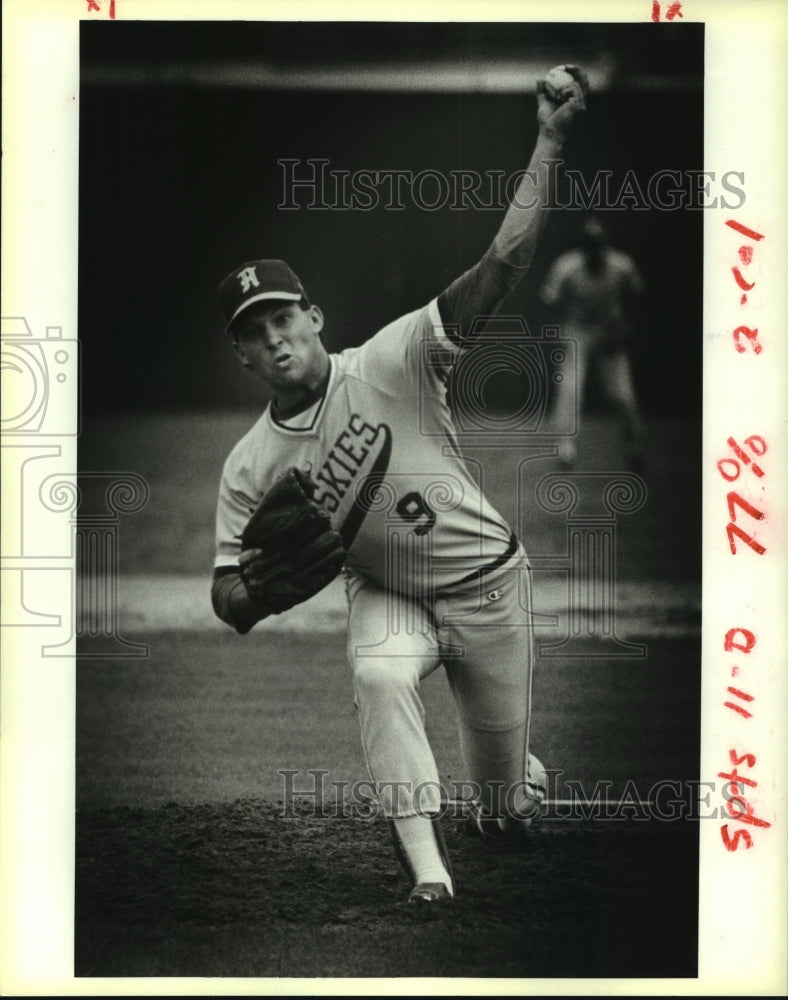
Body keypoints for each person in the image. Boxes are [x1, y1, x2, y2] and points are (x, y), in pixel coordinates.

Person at [210, 67, 588, 908]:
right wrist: (257, 597)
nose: (272, 341)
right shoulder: (248, 466)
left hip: (491, 590)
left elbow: (506, 261)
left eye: (281, 319)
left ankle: (511, 778)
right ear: (240, 356)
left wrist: (550, 140)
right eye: (252, 333)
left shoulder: (393, 357)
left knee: (505, 815)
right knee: (379, 675)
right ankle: (428, 873)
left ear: (313, 317)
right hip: (388, 595)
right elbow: (227, 593)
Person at [540, 216, 646, 469]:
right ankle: (565, 449)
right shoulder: (567, 267)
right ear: (582, 248)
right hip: (578, 331)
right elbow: (550, 301)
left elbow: (638, 298)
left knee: (622, 394)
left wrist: (626, 329)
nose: (594, 251)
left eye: (598, 245)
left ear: (606, 246)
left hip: (610, 329)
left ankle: (635, 448)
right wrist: (559, 335)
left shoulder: (622, 266)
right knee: (570, 389)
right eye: (589, 246)